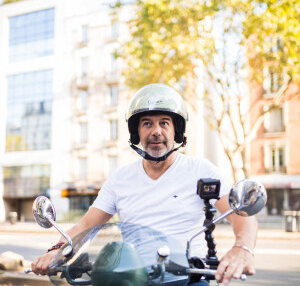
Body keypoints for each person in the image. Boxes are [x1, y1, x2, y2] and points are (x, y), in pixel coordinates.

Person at [32, 83, 257, 285]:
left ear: (176, 131)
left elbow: (242, 214)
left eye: (164, 123)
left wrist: (242, 248)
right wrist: (55, 251)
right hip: (132, 279)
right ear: (137, 132)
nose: (156, 131)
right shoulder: (120, 179)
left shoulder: (201, 170)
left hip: (188, 278)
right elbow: (83, 227)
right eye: (147, 123)